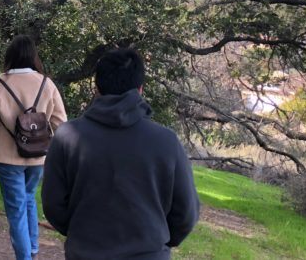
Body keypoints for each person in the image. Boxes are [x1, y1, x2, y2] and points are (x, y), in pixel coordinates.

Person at [42, 48, 199, 260]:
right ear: (140, 89)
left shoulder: (67, 136)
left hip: (86, 252)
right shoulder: (166, 141)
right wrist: (155, 241)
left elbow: (53, 205)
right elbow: (186, 213)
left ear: (96, 87)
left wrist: (82, 233)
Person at [0, 35, 66, 260]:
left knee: (16, 210)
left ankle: (24, 258)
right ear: (33, 56)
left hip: (8, 157)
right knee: (28, 198)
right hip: (39, 157)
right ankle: (33, 250)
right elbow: (61, 123)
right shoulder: (47, 84)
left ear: (10, 56)